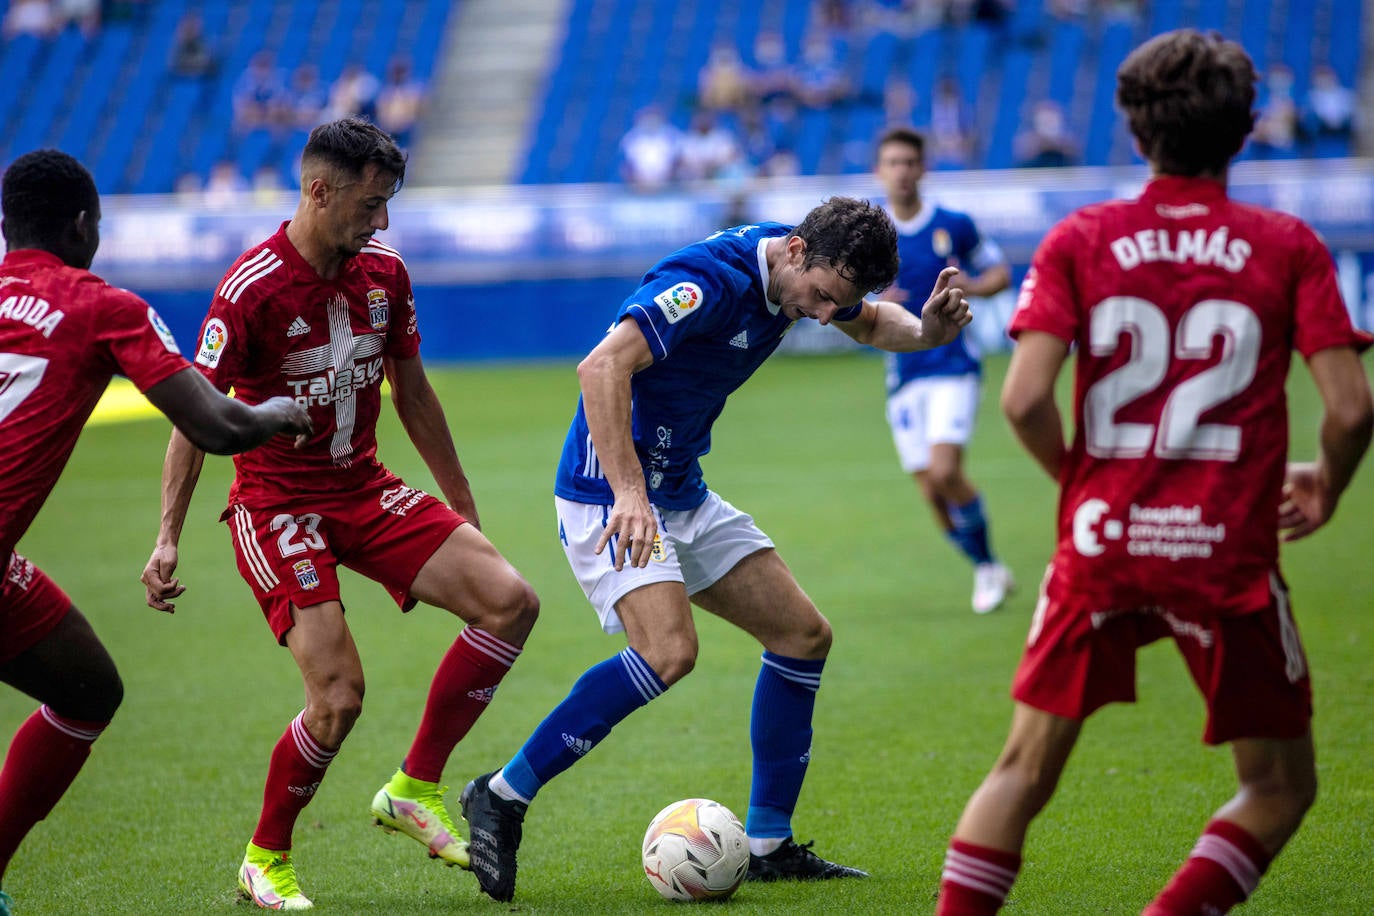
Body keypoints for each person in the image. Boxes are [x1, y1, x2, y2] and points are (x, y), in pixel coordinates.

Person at [935, 30, 1373, 915]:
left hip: (1102, 541)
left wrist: (1083, 481)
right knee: (1279, 786)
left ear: (1135, 133)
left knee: (1021, 771)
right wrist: (1326, 479)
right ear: (1246, 131)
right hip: (1228, 554)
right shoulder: (1286, 245)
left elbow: (1022, 401)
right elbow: (1353, 408)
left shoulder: (1082, 238)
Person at [458, 196, 974, 903]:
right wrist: (630, 495)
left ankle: (767, 844)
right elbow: (601, 368)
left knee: (801, 635)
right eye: (822, 298)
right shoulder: (706, 281)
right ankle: (501, 794)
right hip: (609, 496)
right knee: (670, 652)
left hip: (681, 492)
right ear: (796, 250)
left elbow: (873, 322)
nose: (824, 315)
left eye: (836, 303)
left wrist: (929, 332)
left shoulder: (809, 274)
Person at [140, 118, 540, 910]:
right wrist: (167, 537)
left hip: (363, 488)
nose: (382, 221)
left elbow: (413, 390)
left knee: (511, 602)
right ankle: (265, 858)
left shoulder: (385, 272)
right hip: (277, 504)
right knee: (339, 697)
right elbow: (195, 416)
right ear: (320, 190)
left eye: (388, 204)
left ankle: (413, 788)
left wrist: (459, 501)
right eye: (371, 203)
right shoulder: (250, 288)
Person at [0, 149, 311, 916]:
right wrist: (278, 411)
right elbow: (216, 422)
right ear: (81, 227)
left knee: (87, 687)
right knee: (85, 694)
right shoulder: (104, 307)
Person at [872, 126, 1013, 614]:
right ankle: (986, 565)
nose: (902, 171)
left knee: (946, 469)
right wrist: (871, 300)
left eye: (910, 162)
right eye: (893, 162)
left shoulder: (954, 224)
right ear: (880, 171)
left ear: (923, 168)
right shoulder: (871, 234)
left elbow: (999, 274)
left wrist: (966, 288)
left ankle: (988, 567)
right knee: (932, 493)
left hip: (953, 364)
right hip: (903, 375)